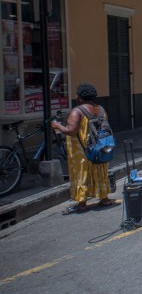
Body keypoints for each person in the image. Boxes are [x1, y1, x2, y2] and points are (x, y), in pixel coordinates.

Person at [51, 83, 113, 214]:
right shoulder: (101, 109)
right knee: (99, 171)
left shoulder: (77, 111)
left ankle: (82, 204)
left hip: (82, 150)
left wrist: (57, 126)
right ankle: (105, 199)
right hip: (99, 147)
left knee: (82, 174)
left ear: (80, 97)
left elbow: (71, 131)